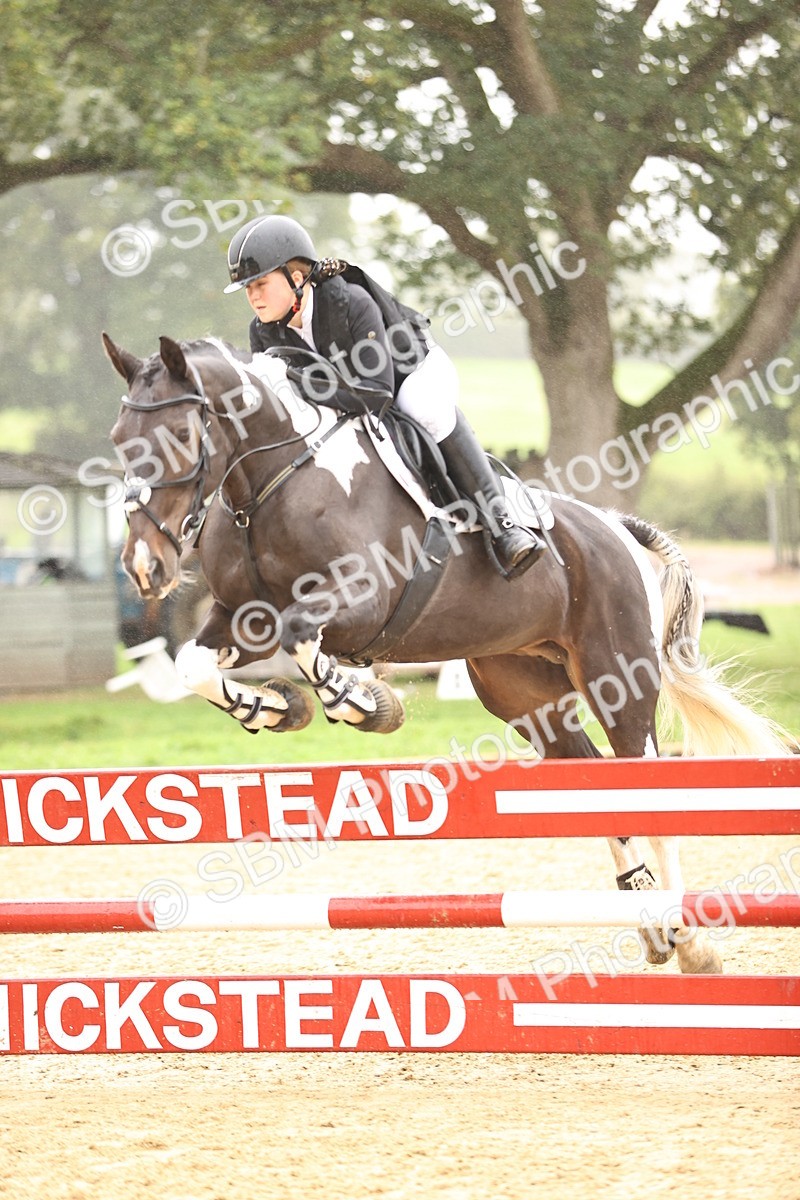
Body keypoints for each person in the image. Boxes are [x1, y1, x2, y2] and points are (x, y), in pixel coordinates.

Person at [224, 214, 546, 577]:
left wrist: (302, 384)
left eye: (260, 284)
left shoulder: (351, 302)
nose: (253, 296)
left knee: (423, 410)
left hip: (408, 374)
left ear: (296, 277)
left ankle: (503, 525)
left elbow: (377, 394)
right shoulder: (263, 333)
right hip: (346, 396)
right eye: (248, 289)